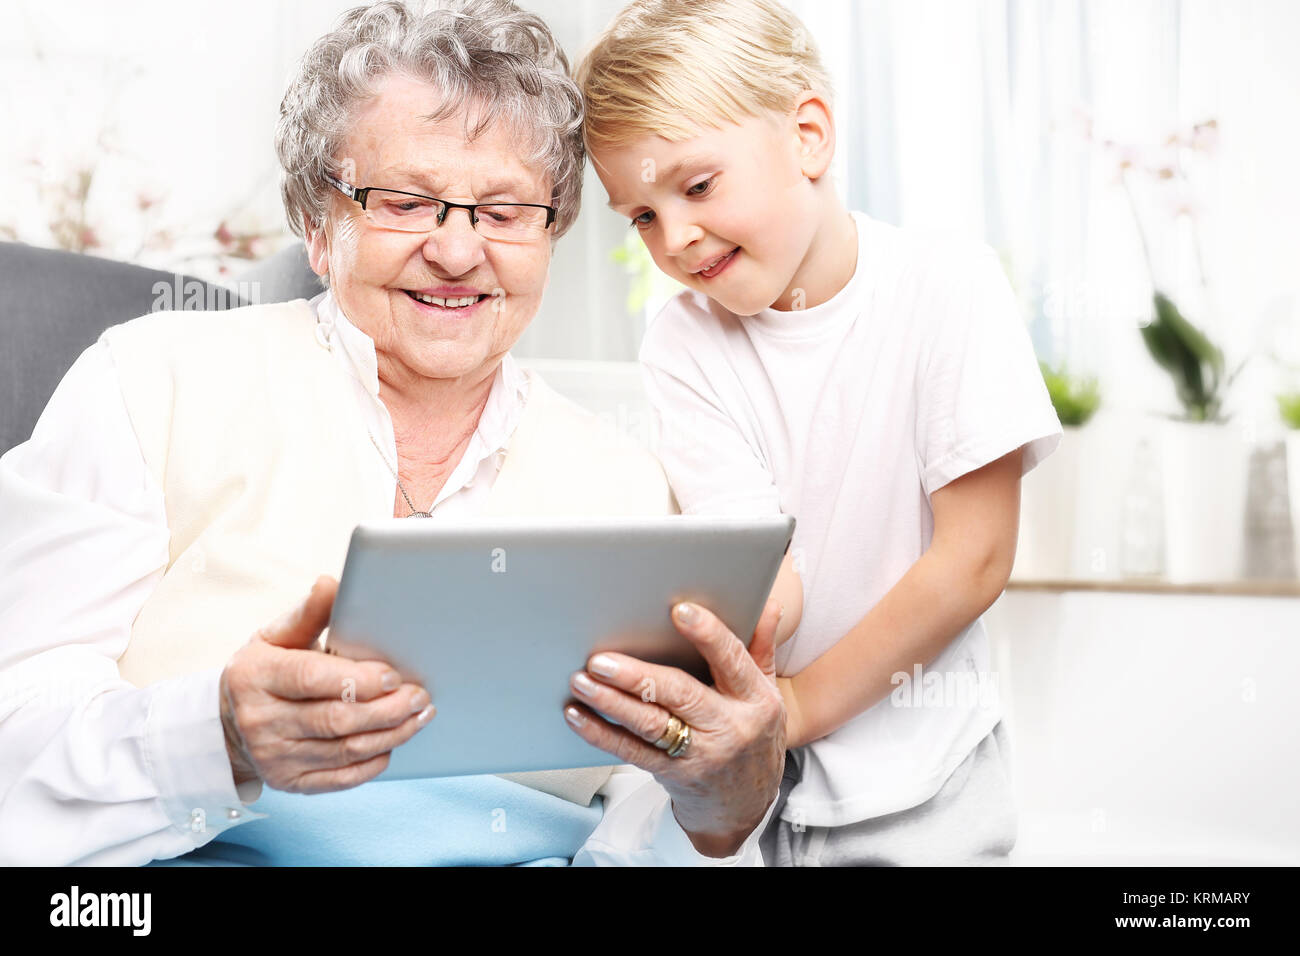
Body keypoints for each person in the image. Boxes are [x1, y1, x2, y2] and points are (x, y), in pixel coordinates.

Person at [0, 0, 786, 866]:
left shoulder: (633, 484)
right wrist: (215, 738)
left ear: (549, 236)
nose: (457, 252)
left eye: (504, 210)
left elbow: (656, 819)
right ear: (316, 224)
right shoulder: (149, 379)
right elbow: (15, 721)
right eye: (407, 203)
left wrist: (725, 802)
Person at [577, 0, 1062, 865]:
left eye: (695, 187)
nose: (676, 237)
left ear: (808, 137)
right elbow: (763, 566)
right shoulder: (684, 341)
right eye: (641, 217)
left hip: (929, 777)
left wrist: (796, 705)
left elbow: (975, 559)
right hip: (775, 788)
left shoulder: (945, 287)